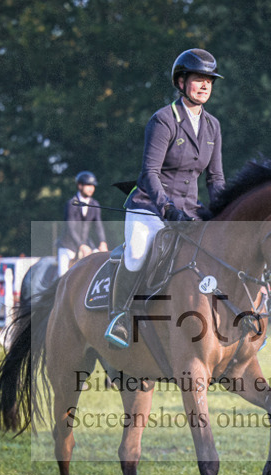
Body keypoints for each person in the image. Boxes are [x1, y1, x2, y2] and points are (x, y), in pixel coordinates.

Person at [105, 48, 226, 347]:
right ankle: (118, 316)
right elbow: (149, 172)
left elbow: (215, 178)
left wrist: (224, 212)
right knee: (136, 253)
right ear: (181, 82)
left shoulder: (213, 126)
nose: (205, 86)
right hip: (150, 206)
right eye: (199, 79)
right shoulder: (163, 120)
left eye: (209, 81)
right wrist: (167, 208)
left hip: (188, 211)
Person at [58, 171, 108, 276]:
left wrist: (102, 242)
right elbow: (70, 228)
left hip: (86, 244)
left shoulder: (94, 204)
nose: (91, 188)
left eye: (93, 186)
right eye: (88, 185)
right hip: (68, 246)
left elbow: (98, 226)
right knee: (62, 276)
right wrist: (81, 245)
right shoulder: (72, 203)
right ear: (80, 186)